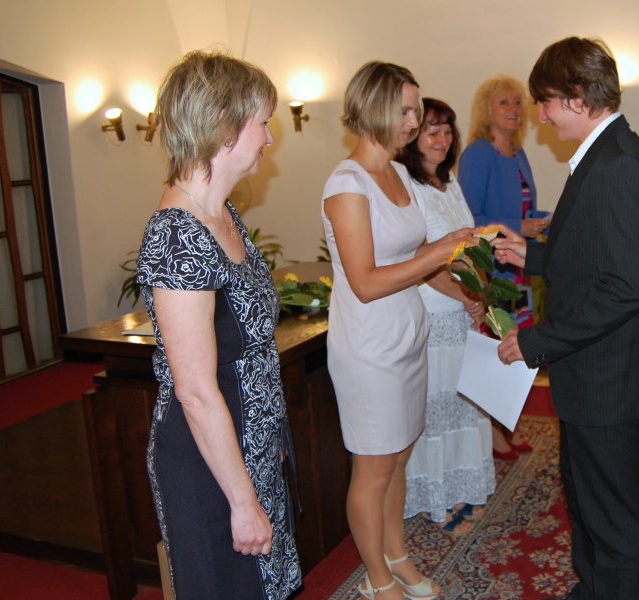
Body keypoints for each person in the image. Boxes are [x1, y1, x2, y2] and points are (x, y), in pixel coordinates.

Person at [495, 37, 639, 600]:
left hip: (604, 377)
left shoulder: (620, 165)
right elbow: (594, 256)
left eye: (545, 101)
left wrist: (536, 341)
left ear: (577, 94)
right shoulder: (601, 155)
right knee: (588, 500)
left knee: (614, 517)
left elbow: (625, 288)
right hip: (589, 373)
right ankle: (595, 587)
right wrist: (532, 256)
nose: (540, 115)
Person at [136, 50, 300, 600]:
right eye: (263, 122)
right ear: (225, 123)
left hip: (248, 444)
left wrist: (271, 437)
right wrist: (243, 500)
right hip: (209, 466)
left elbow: (249, 348)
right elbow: (196, 390)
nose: (269, 138)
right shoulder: (177, 234)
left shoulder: (223, 213)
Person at [321, 62, 477, 600]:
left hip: (409, 334)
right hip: (369, 344)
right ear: (373, 108)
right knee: (372, 466)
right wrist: (441, 250)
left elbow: (419, 260)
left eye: (416, 111)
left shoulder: (399, 173)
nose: (413, 122)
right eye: (406, 111)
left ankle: (397, 555)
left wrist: (464, 294)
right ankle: (377, 579)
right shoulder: (346, 184)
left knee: (399, 456)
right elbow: (365, 282)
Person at [395, 98, 494, 536]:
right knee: (436, 411)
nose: (441, 139)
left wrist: (479, 293)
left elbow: (468, 244)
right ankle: (435, 497)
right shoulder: (407, 185)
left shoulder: (449, 180)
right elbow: (421, 257)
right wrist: (464, 295)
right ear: (412, 136)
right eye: (431, 131)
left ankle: (461, 487)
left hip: (463, 310)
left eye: (447, 131)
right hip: (433, 311)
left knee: (463, 405)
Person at [458, 75, 547, 459]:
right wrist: (518, 225)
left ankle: (505, 423)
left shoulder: (518, 153)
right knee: (497, 350)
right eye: (504, 102)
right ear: (487, 110)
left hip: (518, 270)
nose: (513, 109)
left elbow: (525, 212)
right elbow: (469, 219)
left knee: (515, 348)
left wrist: (546, 221)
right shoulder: (478, 153)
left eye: (517, 102)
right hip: (492, 272)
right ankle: (494, 434)